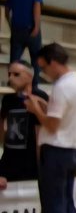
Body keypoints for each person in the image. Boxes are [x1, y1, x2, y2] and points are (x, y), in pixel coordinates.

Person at [24, 43, 76, 213]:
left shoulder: (62, 87)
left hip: (57, 149)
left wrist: (35, 110)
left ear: (52, 62)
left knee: (55, 204)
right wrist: (45, 106)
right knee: (67, 202)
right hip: (73, 148)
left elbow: (51, 124)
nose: (44, 73)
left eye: (44, 68)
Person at [0, 60, 49, 190]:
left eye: (16, 74)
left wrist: (41, 167)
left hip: (30, 163)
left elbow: (41, 132)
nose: (10, 78)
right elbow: (3, 128)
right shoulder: (7, 99)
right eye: (9, 74)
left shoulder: (39, 97)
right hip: (9, 160)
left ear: (29, 76)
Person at [5, 0, 43, 66]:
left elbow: (6, 11)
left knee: (14, 60)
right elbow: (36, 9)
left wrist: (10, 24)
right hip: (31, 29)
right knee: (36, 60)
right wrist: (36, 27)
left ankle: (13, 79)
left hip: (17, 30)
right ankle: (35, 80)